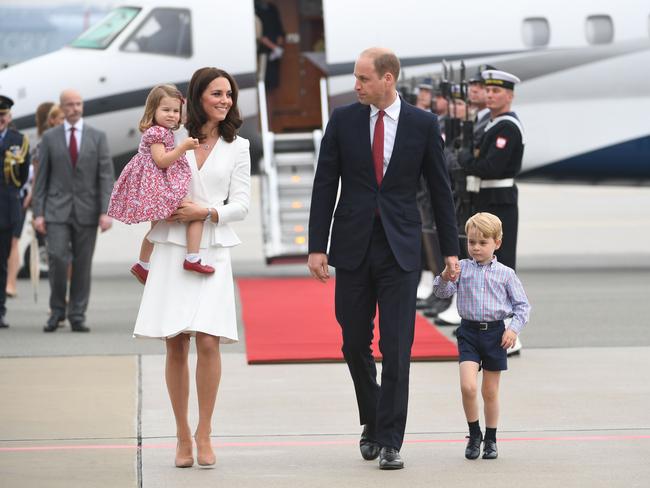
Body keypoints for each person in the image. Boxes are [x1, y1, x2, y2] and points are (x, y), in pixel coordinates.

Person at [308, 47, 459, 470]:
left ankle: (391, 439)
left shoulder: (422, 124)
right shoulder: (343, 120)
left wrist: (451, 251)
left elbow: (440, 190)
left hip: (400, 249)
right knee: (354, 342)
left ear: (387, 79)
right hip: (353, 246)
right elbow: (324, 185)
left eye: (363, 78)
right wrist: (316, 246)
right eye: (355, 78)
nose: (355, 86)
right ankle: (372, 418)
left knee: (397, 347)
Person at [133, 67, 251, 468]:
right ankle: (182, 434)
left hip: (212, 248)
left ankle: (205, 431)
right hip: (170, 245)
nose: (225, 100)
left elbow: (242, 205)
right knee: (175, 342)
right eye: (217, 93)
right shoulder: (170, 139)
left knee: (208, 341)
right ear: (198, 96)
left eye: (229, 94)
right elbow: (149, 181)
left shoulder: (239, 146)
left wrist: (208, 211)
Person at [432, 212, 530, 460]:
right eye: (471, 242)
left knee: (490, 392)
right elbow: (442, 292)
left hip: (496, 334)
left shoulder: (506, 274)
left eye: (482, 242)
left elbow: (522, 306)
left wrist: (512, 329)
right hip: (468, 333)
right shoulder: (462, 268)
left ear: (497, 242)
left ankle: (491, 438)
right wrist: (445, 275)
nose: (476, 248)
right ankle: (474, 434)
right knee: (467, 386)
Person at [107, 84, 213, 284]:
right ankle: (192, 257)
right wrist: (183, 147)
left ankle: (143, 264)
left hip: (156, 184)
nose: (172, 115)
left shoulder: (163, 131)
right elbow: (161, 161)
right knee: (196, 213)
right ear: (153, 110)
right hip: (157, 186)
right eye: (166, 110)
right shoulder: (157, 133)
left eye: (175, 111)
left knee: (157, 228)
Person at [33, 89, 115, 333]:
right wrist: (38, 213)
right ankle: (57, 311)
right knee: (57, 258)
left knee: (82, 264)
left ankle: (77, 314)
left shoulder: (97, 137)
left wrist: (106, 211)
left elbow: (105, 176)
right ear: (61, 107)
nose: (75, 108)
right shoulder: (49, 138)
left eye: (78, 104)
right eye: (69, 105)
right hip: (56, 210)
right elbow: (41, 179)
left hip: (88, 211)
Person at [0, 95, 31, 328]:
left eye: (3, 116)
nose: (0, 120)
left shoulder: (19, 140)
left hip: (6, 208)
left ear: (9, 117)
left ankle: (0, 310)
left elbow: (20, 179)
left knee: (2, 260)